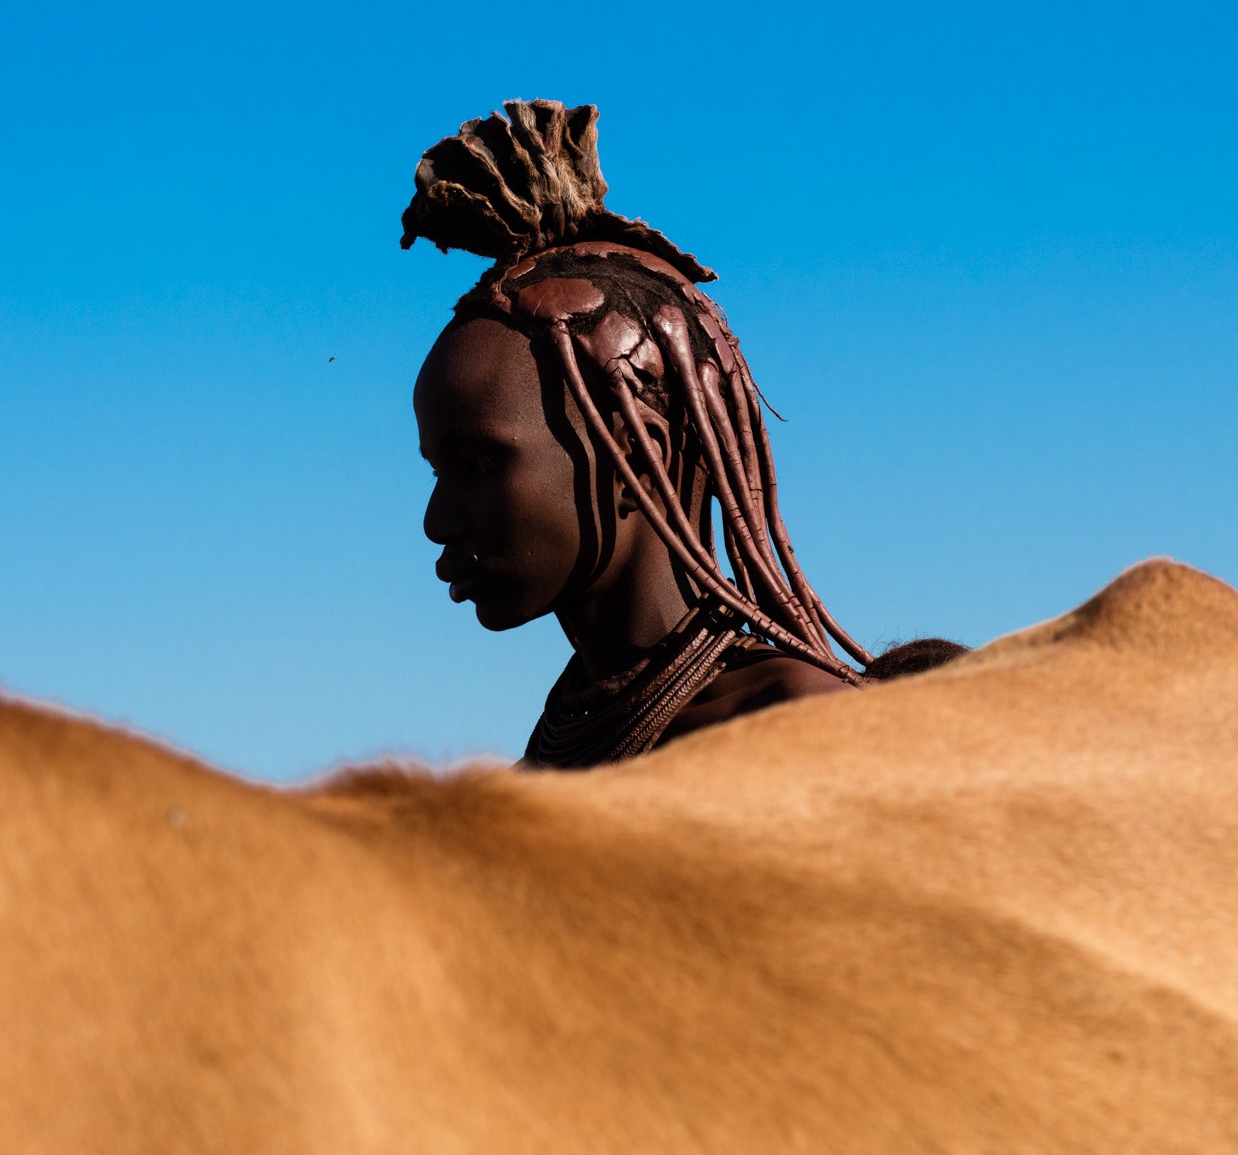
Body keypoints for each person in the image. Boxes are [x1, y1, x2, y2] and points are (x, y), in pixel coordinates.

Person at [404, 100, 963, 768]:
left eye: (476, 463)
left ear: (639, 455)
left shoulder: (803, 738)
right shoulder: (557, 749)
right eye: (437, 471)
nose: (437, 521)